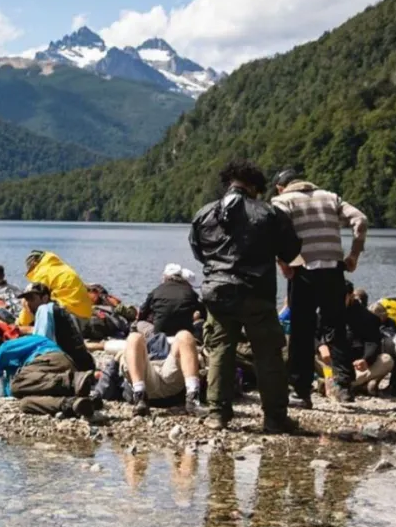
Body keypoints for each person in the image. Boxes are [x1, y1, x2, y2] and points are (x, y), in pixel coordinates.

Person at [190, 158, 302, 434]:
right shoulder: (269, 213)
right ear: (254, 186)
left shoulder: (205, 213)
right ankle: (275, 418)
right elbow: (290, 252)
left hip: (217, 293)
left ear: (229, 183)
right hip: (257, 293)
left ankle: (218, 414)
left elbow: (199, 252)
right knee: (268, 355)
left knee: (219, 351)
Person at [271, 168, 369, 406]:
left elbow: (274, 230)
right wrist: (354, 254)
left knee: (301, 333)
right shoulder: (330, 197)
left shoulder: (282, 200)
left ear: (280, 187)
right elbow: (361, 220)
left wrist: (283, 262)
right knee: (336, 328)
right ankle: (345, 389)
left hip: (303, 272)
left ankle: (301, 392)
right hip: (334, 271)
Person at [325, 281, 394, 395]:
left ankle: (344, 384)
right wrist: (321, 346)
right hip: (331, 361)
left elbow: (373, 341)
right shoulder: (326, 312)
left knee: (387, 360)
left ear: (351, 296)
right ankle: (356, 384)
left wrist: (366, 359)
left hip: (355, 364)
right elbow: (314, 334)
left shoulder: (366, 317)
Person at [19, 282, 96, 371]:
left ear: (45, 298)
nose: (28, 303)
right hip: (84, 363)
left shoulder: (44, 309)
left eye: (31, 298)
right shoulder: (60, 309)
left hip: (72, 367)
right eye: (26, 299)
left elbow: (41, 344)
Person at [16, 250, 92, 331]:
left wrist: (20, 323)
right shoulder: (60, 267)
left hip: (71, 320)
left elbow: (32, 301)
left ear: (34, 264)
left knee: (27, 300)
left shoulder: (42, 273)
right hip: (85, 316)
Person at [139, 264, 205, 338]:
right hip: (184, 334)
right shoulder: (190, 292)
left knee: (140, 324)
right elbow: (203, 312)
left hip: (160, 336)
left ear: (165, 277)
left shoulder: (156, 291)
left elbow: (142, 313)